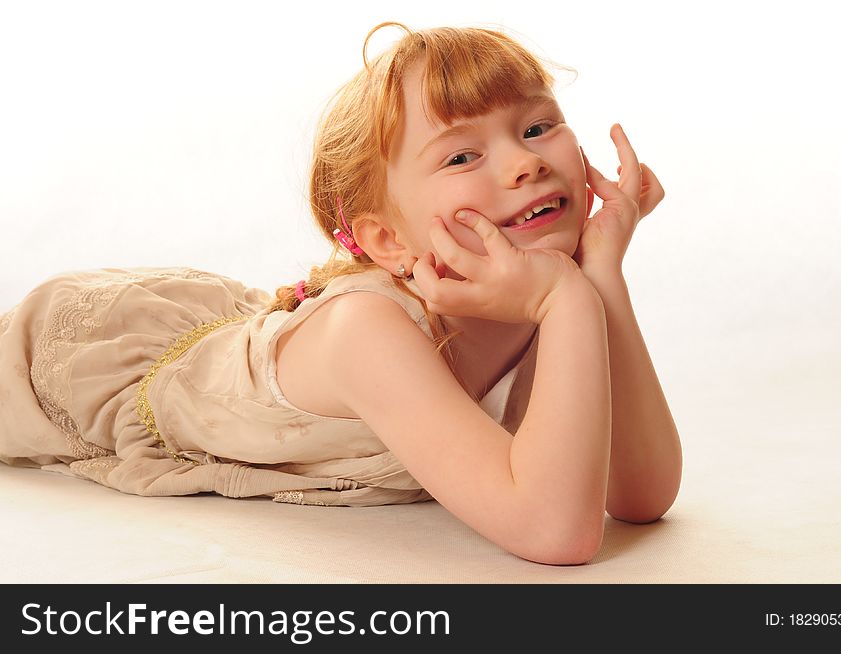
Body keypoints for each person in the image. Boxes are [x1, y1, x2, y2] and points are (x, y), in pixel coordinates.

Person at [0, 22, 681, 565]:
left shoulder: (533, 295)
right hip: (79, 362)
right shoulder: (368, 331)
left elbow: (640, 495)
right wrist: (566, 299)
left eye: (536, 127)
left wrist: (599, 274)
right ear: (386, 242)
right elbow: (555, 532)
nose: (525, 161)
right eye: (462, 156)